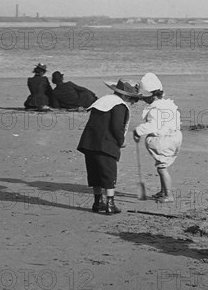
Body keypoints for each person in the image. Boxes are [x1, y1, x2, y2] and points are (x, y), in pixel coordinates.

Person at [77, 79, 140, 215]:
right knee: (108, 174)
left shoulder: (102, 101)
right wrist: (121, 141)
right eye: (132, 98)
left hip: (89, 142)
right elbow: (117, 127)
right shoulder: (119, 106)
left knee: (94, 174)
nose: (132, 101)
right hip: (105, 144)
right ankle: (110, 205)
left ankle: (97, 202)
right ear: (125, 96)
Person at [133, 73, 182, 203]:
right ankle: (163, 191)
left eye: (145, 98)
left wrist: (138, 131)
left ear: (153, 96)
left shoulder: (156, 110)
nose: (143, 100)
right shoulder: (168, 104)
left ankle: (169, 195)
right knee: (162, 165)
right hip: (175, 136)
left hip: (164, 140)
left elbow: (153, 125)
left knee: (162, 167)